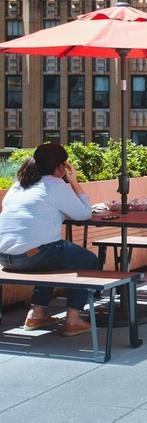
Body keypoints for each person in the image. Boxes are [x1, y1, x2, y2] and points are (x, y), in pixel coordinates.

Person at [0, 143, 98, 336]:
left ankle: (36, 314)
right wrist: (73, 181)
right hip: (32, 256)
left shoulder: (19, 184)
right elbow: (84, 213)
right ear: (61, 166)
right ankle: (73, 320)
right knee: (89, 261)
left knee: (50, 256)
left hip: (4, 257)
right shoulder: (54, 184)